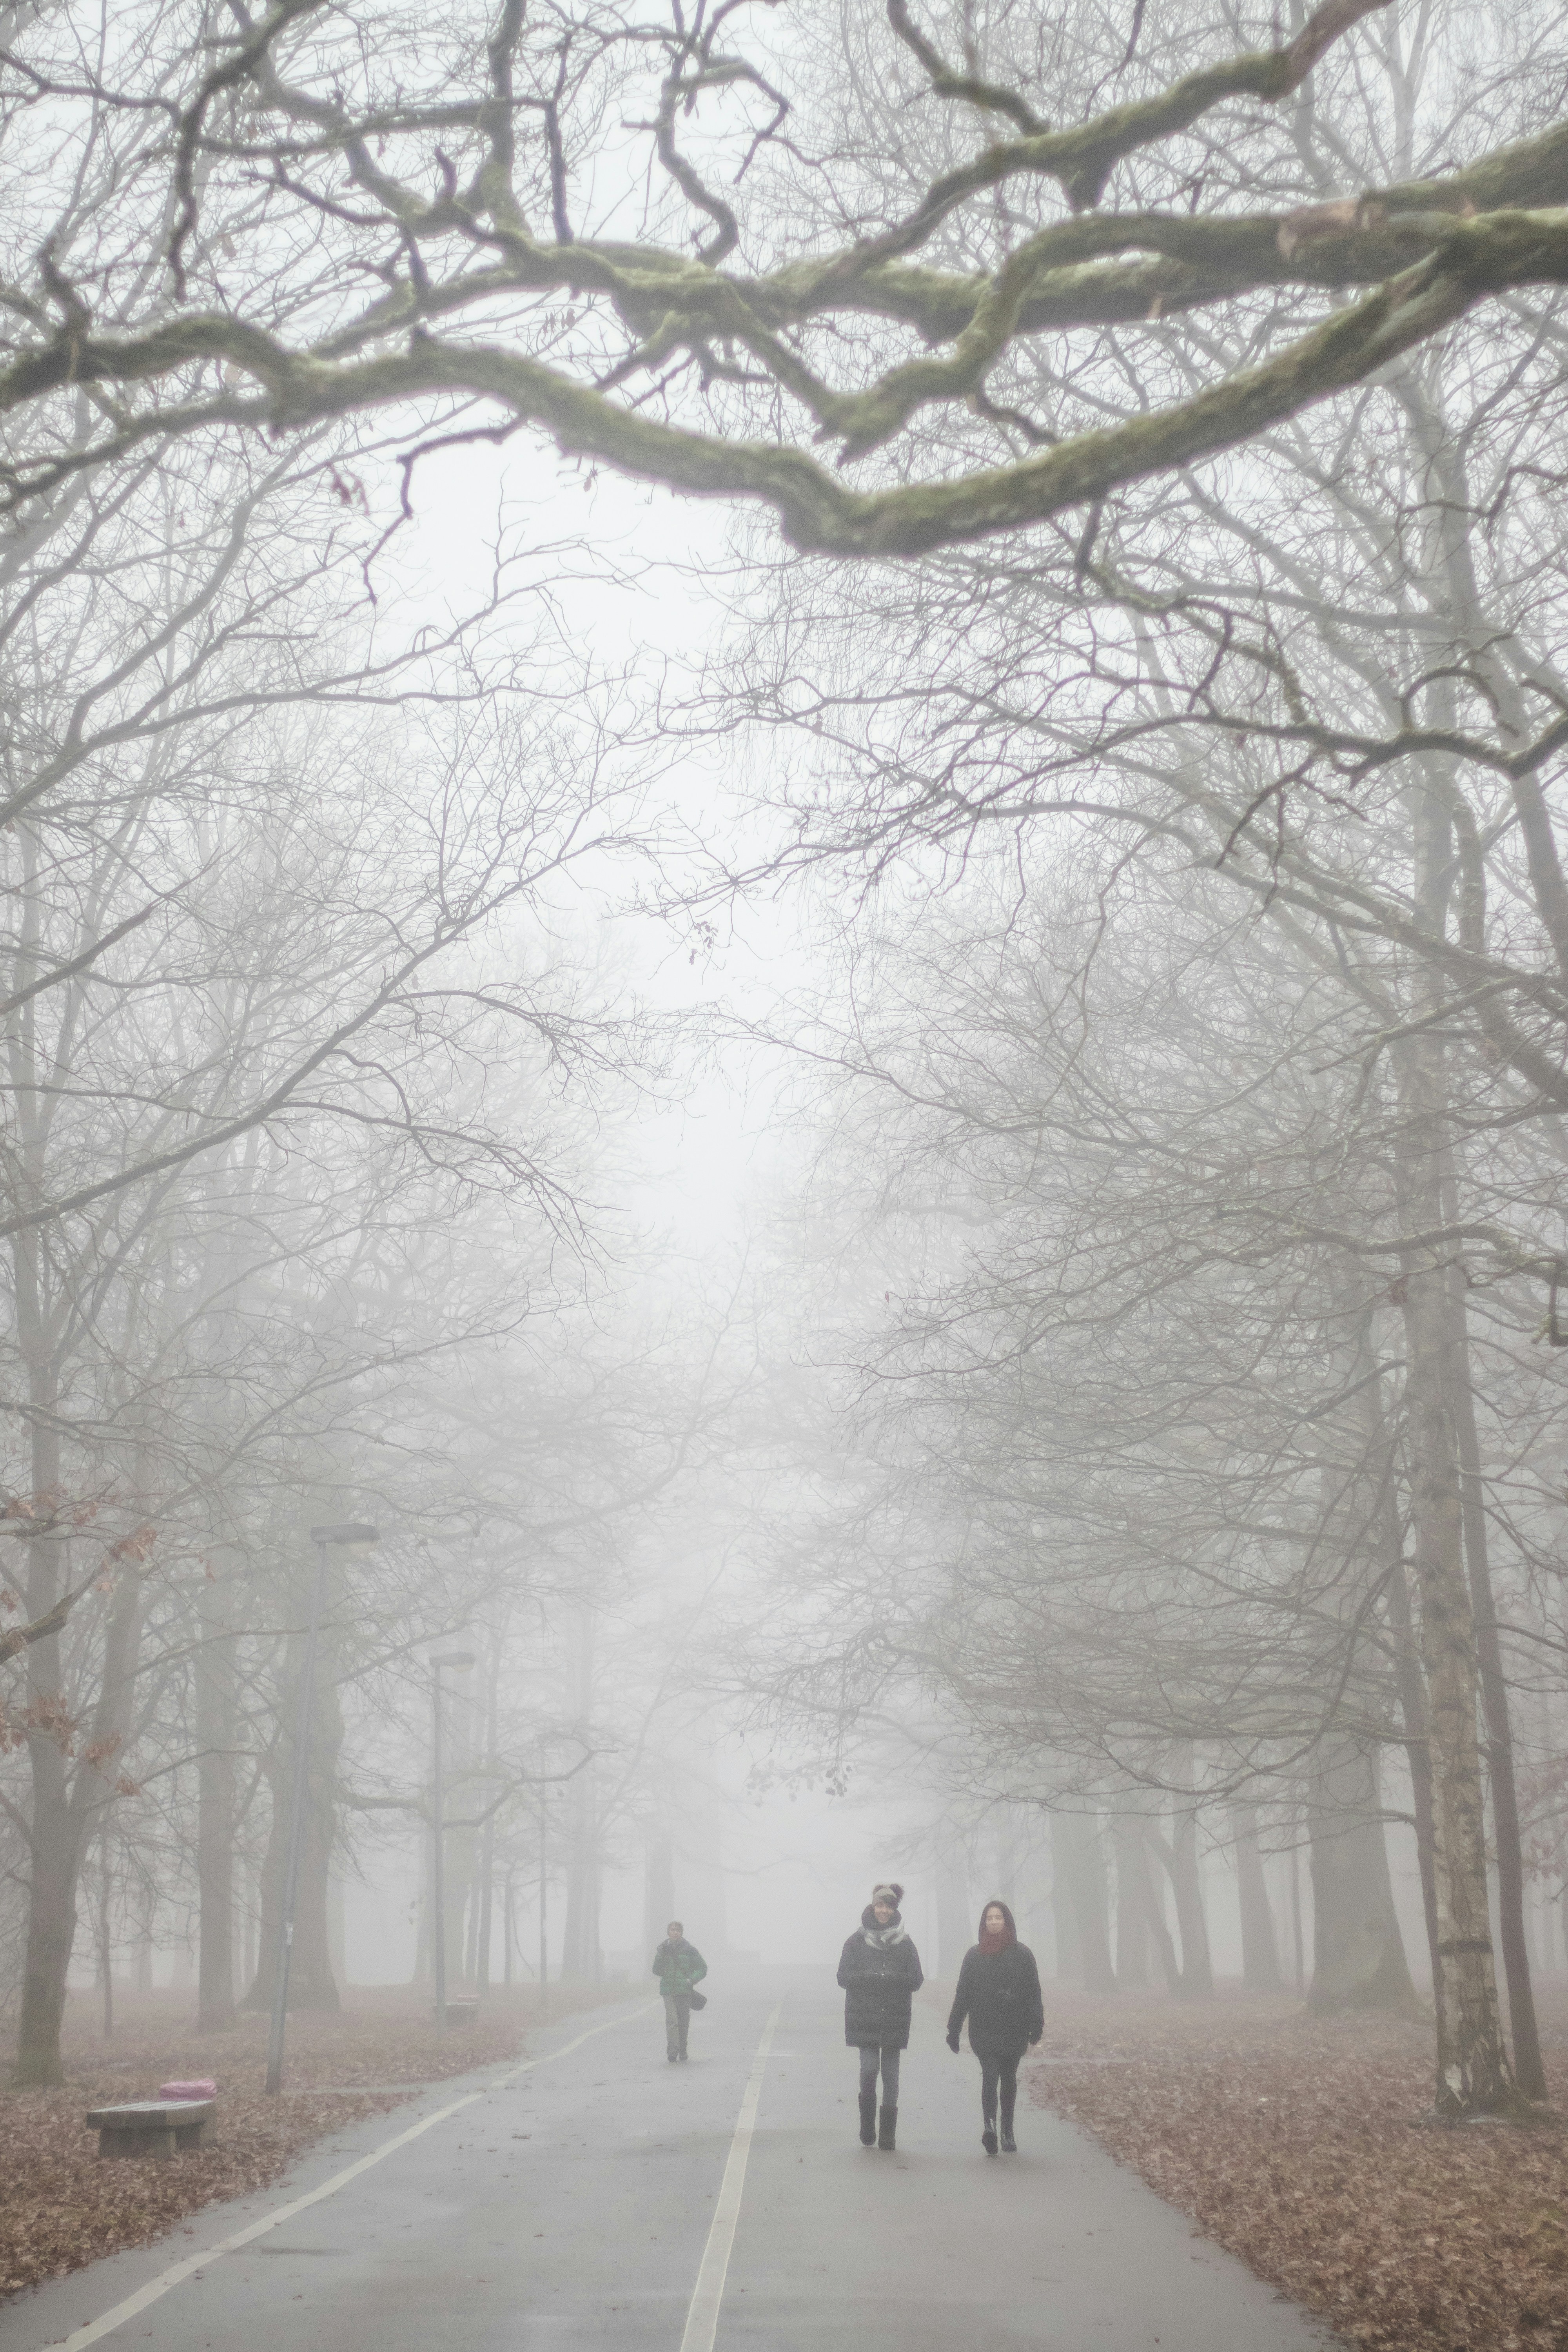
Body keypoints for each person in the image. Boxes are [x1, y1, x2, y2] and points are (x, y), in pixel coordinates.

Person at [946, 1898, 1044, 2154]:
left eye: (998, 1918)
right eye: (989, 1918)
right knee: (990, 2075)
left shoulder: (1023, 1955)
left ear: (1007, 1921)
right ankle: (989, 2127)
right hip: (984, 2027)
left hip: (1014, 2026)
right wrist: (954, 2028)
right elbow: (963, 1994)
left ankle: (1007, 2131)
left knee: (1009, 2077)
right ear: (984, 1923)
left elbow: (1034, 1993)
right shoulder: (974, 1956)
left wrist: (1037, 2024)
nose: (994, 1922)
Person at [837, 1880, 923, 2152]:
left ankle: (887, 2133)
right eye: (879, 1905)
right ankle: (867, 2121)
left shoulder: (906, 1944)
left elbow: (916, 1979)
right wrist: (871, 1977)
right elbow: (843, 1977)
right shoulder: (855, 1942)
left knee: (892, 2077)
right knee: (869, 2069)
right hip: (865, 2019)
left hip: (895, 2019)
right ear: (873, 1906)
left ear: (894, 1908)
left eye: (888, 1906)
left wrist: (894, 1978)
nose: (884, 1911)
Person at [651, 1919, 707, 2062]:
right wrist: (660, 1956)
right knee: (672, 2021)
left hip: (685, 1991)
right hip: (668, 1991)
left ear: (682, 1933)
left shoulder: (690, 1950)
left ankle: (683, 2048)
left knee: (683, 2021)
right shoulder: (663, 1950)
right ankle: (672, 2051)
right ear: (668, 1932)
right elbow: (657, 1971)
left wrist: (692, 1980)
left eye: (678, 1930)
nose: (676, 1933)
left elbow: (702, 1968)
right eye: (673, 1930)